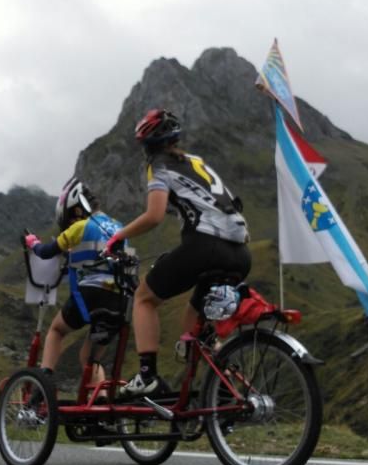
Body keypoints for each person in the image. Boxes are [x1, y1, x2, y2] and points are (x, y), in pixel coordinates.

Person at [105, 108, 251, 397]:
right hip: (241, 253)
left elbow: (155, 215)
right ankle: (224, 394)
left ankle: (147, 376)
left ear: (146, 146)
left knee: (144, 298)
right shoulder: (198, 163)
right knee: (195, 326)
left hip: (205, 247)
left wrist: (118, 237)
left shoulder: (158, 166)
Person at [25, 177, 129, 397]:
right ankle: (99, 402)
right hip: (120, 299)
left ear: (75, 212)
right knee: (90, 359)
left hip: (92, 294)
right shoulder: (119, 227)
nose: (69, 225)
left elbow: (45, 252)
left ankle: (43, 385)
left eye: (69, 220)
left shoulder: (81, 226)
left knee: (56, 330)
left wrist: (33, 242)